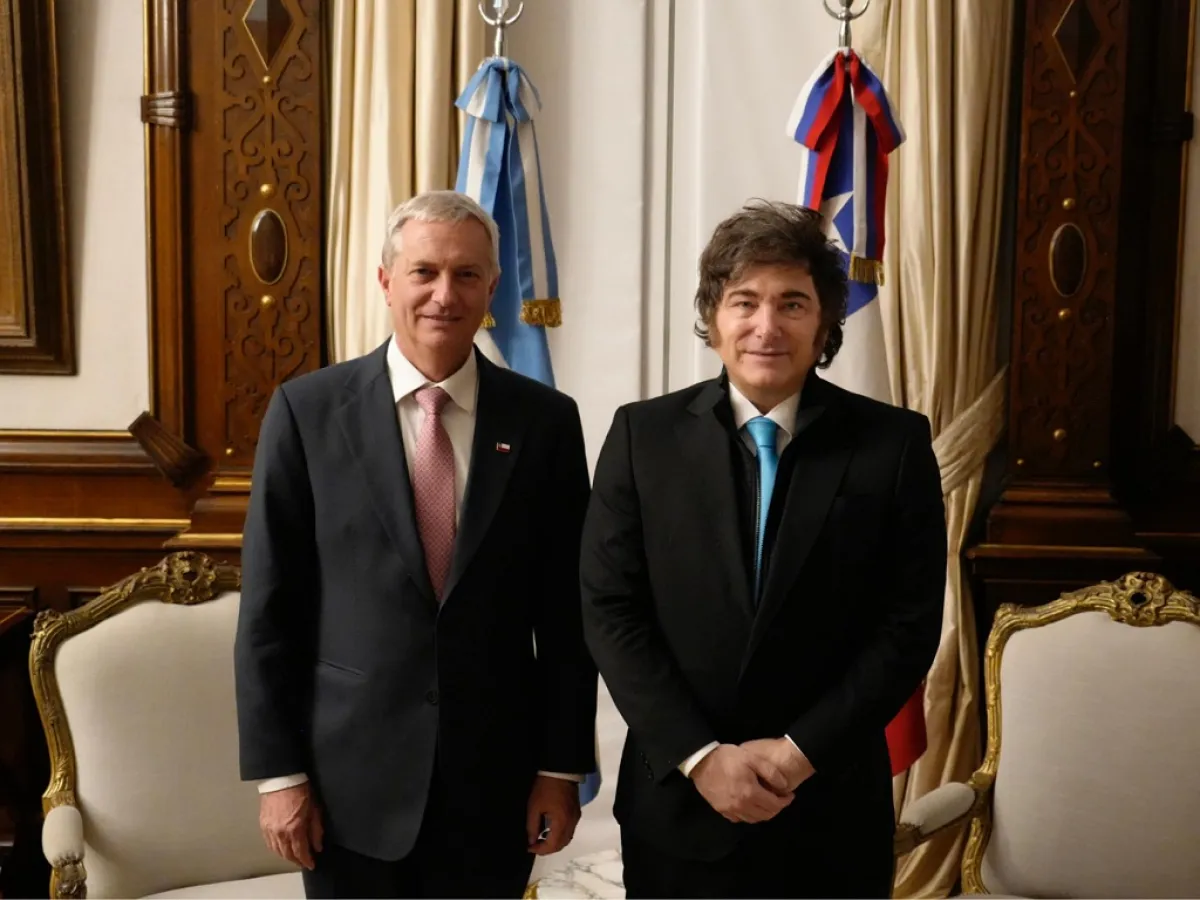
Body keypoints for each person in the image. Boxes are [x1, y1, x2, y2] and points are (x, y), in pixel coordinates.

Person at [235, 190, 598, 899]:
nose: (444, 294)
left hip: (493, 790)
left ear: (492, 288)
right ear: (386, 281)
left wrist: (559, 768)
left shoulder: (546, 422)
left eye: (467, 275)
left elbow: (567, 616)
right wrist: (279, 777)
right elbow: (270, 613)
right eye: (424, 272)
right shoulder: (307, 412)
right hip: (345, 794)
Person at [580, 200, 947, 899]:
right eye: (744, 301)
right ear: (713, 316)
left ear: (825, 323)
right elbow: (610, 611)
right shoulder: (641, 437)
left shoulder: (893, 445)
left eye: (792, 303)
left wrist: (799, 754)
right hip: (679, 808)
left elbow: (906, 627)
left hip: (830, 809)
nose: (766, 326)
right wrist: (700, 757)